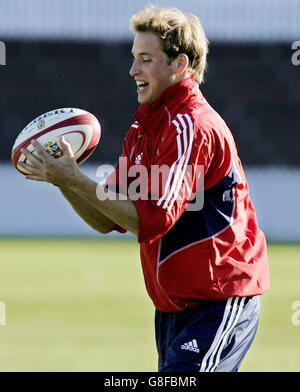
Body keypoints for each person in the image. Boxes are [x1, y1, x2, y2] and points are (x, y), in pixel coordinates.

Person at [19, 4, 270, 372]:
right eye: (134, 57)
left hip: (220, 298)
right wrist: (63, 179)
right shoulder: (144, 129)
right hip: (173, 308)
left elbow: (151, 220)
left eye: (145, 59)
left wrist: (75, 179)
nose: (133, 69)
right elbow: (108, 217)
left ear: (179, 64)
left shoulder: (191, 126)